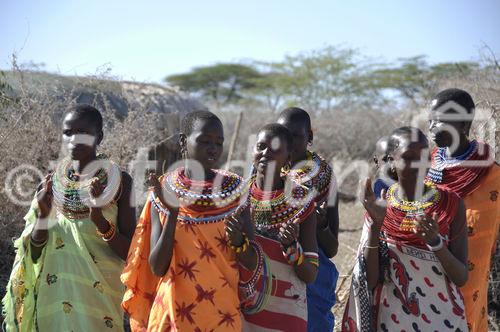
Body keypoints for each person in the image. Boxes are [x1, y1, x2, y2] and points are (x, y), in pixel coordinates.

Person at [121, 110, 262, 331]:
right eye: (204, 141)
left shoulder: (237, 193)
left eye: (218, 142)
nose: (213, 148)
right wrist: (173, 214)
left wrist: (238, 242)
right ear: (183, 141)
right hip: (172, 315)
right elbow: (157, 267)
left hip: (221, 315)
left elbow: (253, 262)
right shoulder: (163, 191)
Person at [2, 104, 136, 331]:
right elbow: (33, 255)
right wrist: (44, 218)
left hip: (99, 306)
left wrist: (100, 221)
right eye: (68, 132)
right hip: (53, 302)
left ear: (99, 136)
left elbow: (131, 254)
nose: (74, 139)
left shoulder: (120, 183)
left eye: (83, 132)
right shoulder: (50, 183)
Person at [342, 127, 469, 331]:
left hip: (445, 320)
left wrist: (436, 243)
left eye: (425, 156)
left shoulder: (451, 204)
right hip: (393, 321)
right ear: (391, 162)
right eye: (410, 157)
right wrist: (376, 225)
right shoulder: (381, 205)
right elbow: (371, 280)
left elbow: (461, 277)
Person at [427, 88, 500, 331]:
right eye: (430, 120)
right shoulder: (424, 165)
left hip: (469, 280)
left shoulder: (492, 175)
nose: (432, 128)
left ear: (462, 123)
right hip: (424, 271)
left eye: (439, 120)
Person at [243, 123, 318, 331]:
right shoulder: (237, 196)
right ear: (252, 151)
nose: (266, 153)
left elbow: (310, 274)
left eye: (275, 149)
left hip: (286, 313)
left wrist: (292, 248)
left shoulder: (301, 201)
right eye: (260, 146)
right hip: (242, 309)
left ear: (288, 156)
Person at [277, 107, 338, 331]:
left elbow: (331, 249)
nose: (289, 142)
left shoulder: (325, 177)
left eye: (296, 136)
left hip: (314, 276)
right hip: (274, 271)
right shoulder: (265, 173)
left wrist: (320, 224)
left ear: (309, 137)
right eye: (283, 135)